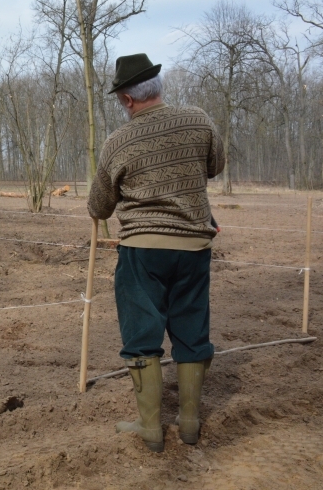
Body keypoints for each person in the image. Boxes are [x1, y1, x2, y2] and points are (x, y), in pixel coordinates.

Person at [87, 53, 225, 453]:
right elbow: (215, 164)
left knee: (142, 334)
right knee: (192, 330)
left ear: (128, 100)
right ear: (157, 86)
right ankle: (189, 424)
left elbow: (100, 207)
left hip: (142, 252)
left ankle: (150, 428)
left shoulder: (119, 141)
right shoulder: (199, 120)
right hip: (194, 247)